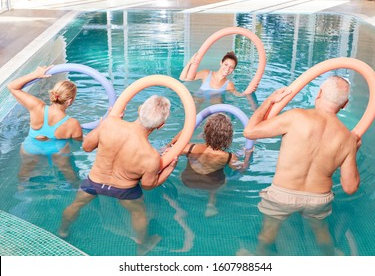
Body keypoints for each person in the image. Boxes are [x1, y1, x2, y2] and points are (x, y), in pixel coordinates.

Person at [243, 76, 361, 255]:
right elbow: (350, 187)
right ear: (345, 104)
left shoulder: (296, 116)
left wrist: (270, 100)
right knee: (322, 233)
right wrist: (352, 150)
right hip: (318, 199)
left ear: (319, 93)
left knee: (266, 237)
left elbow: (250, 132)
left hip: (282, 194)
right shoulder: (348, 138)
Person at [58, 95, 178, 255]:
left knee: (76, 204)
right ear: (161, 125)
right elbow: (148, 185)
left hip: (94, 181)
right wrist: (169, 168)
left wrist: (101, 127)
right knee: (138, 212)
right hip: (125, 190)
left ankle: (63, 231)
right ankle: (142, 245)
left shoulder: (110, 124)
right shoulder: (151, 156)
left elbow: (86, 147)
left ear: (140, 108)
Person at [8, 65, 82, 185]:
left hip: (31, 148)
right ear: (69, 101)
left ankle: (21, 191)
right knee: (72, 177)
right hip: (58, 151)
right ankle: (76, 193)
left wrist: (35, 75)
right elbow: (78, 146)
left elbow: (12, 87)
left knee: (24, 175)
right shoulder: (72, 123)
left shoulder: (37, 107)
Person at [168, 113, 253, 217]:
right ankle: (211, 204)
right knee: (221, 179)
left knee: (184, 172)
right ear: (229, 137)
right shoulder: (229, 156)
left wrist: (189, 129)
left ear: (205, 132)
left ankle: (179, 199)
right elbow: (242, 169)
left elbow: (173, 146)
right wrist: (248, 154)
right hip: (211, 185)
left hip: (187, 181)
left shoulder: (190, 148)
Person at [180, 51, 255, 97]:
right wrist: (190, 62)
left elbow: (238, 95)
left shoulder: (229, 85)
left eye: (231, 67)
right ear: (221, 63)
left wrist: (249, 91)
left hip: (216, 106)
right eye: (226, 64)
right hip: (199, 99)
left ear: (233, 70)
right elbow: (183, 78)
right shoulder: (206, 74)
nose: (227, 69)